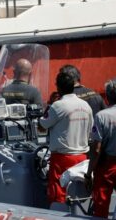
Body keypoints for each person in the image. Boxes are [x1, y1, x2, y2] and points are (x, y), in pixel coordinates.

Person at [39, 71, 92, 205]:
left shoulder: (57, 106)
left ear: (58, 87)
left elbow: (42, 126)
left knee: (58, 195)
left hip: (62, 159)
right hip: (82, 157)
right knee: (77, 196)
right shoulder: (86, 106)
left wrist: (50, 105)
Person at [86, 79, 116, 218]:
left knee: (101, 204)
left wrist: (89, 174)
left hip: (106, 166)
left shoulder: (101, 116)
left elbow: (97, 149)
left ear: (106, 96)